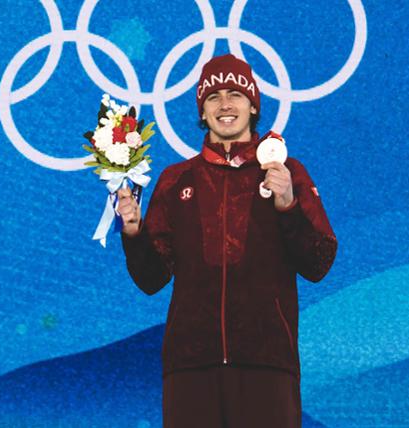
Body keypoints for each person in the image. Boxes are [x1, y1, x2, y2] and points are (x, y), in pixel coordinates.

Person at [117, 54, 338, 428]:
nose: (225, 104)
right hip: (190, 366)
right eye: (213, 96)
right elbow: (151, 280)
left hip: (267, 362)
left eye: (235, 93)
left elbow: (318, 263)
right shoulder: (176, 181)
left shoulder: (287, 172)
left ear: (253, 106)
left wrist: (287, 206)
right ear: (202, 112)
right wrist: (134, 233)